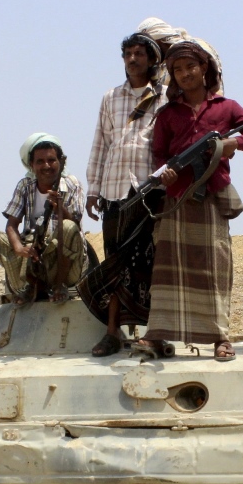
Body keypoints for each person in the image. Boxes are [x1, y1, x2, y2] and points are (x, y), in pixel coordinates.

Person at [141, 40, 243, 361]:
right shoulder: (168, 114)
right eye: (178, 70)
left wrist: (233, 144)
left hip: (211, 198)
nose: (185, 74)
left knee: (214, 267)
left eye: (190, 67)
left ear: (204, 69)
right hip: (177, 201)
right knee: (169, 269)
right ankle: (157, 335)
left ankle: (220, 338)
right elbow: (158, 154)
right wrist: (166, 174)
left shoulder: (226, 107)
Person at [81, 30, 168, 356]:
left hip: (150, 192)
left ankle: (156, 333)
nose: (133, 59)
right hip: (115, 191)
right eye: (127, 54)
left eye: (139, 54)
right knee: (116, 263)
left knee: (152, 263)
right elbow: (100, 144)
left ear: (151, 59)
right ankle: (113, 332)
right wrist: (93, 189)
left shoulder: (163, 97)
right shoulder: (110, 98)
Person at [0, 134, 87, 302]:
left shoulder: (71, 184)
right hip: (34, 255)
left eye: (51, 160)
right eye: (40, 162)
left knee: (67, 227)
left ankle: (58, 285)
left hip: (64, 260)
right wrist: (19, 248)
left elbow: (75, 227)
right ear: (32, 165)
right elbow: (11, 224)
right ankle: (28, 286)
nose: (46, 166)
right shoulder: (25, 186)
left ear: (60, 162)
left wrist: (61, 209)